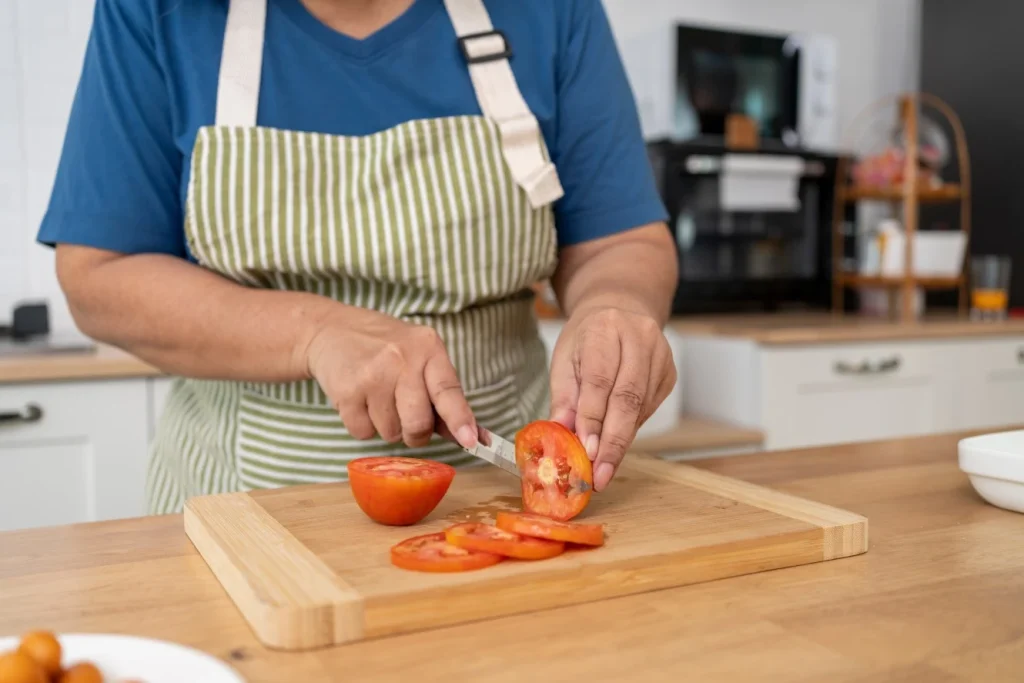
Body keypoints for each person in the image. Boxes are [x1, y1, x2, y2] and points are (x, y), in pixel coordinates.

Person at [40, 0, 679, 514]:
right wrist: (312, 332)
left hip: (502, 497)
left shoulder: (553, 10)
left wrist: (614, 308)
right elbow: (98, 275)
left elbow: (620, 241)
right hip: (234, 502)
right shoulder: (153, 11)